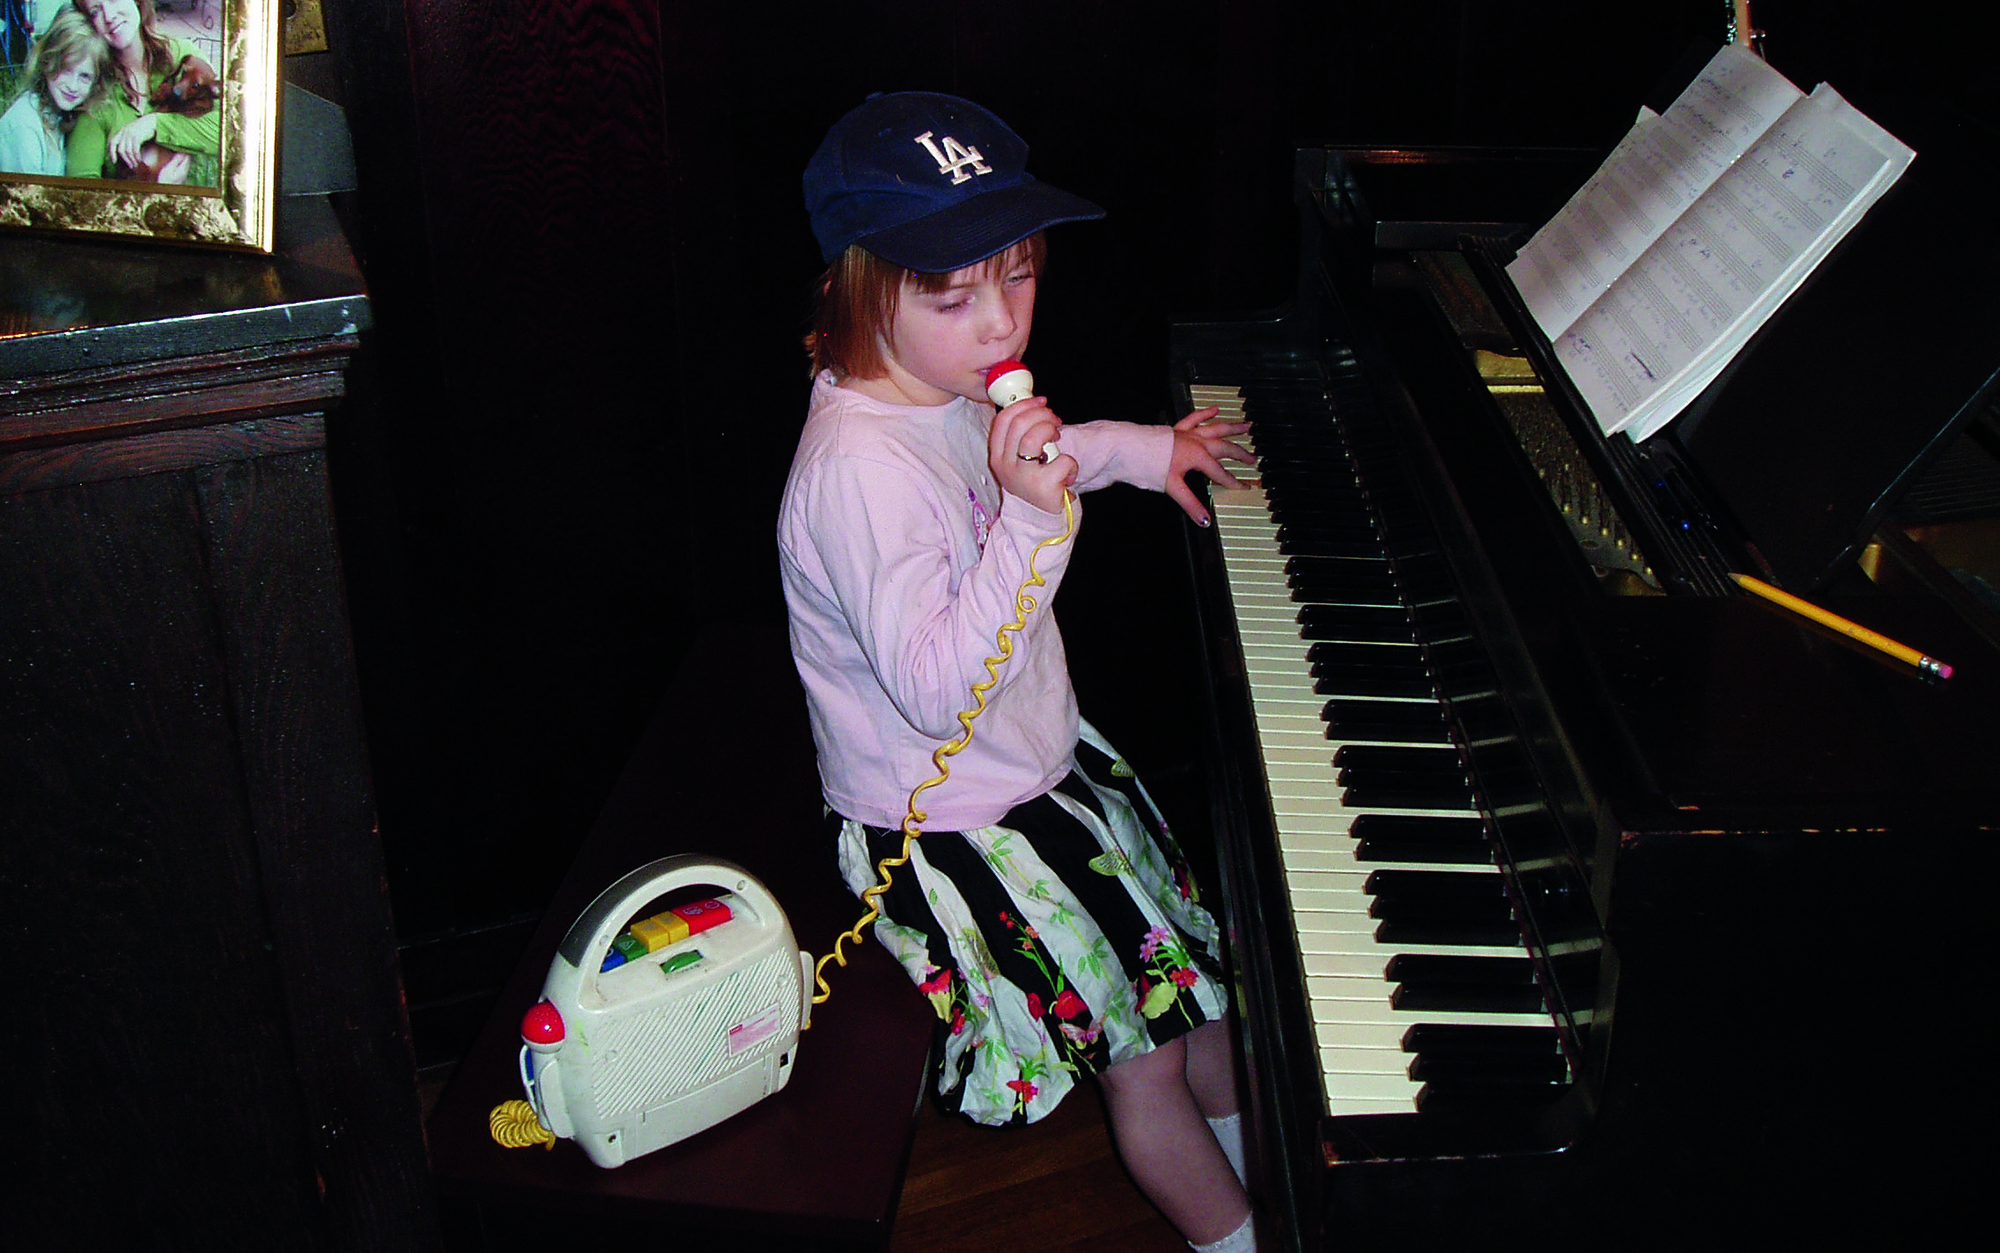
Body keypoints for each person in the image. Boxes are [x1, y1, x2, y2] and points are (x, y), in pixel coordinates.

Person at [779, 92, 1260, 1253]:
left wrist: (1148, 454)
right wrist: (1035, 532)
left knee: (1199, 996)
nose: (998, 323)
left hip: (1043, 767)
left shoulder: (940, 382)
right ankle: (1242, 1234)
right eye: (952, 296)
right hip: (954, 824)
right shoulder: (854, 474)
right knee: (1141, 1064)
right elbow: (939, 691)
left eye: (1021, 274)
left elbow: (1043, 453)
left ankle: (1277, 1169)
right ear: (857, 291)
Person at [63, 0, 218, 185]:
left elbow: (229, 131)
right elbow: (80, 189)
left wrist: (153, 125)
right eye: (96, 11)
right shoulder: (95, 91)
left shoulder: (180, 56)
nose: (109, 17)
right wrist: (155, 192)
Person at [0, 7, 111, 176]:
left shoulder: (58, 114)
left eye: (85, 76)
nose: (73, 86)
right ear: (47, 61)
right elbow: (25, 196)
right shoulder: (25, 125)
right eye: (66, 70)